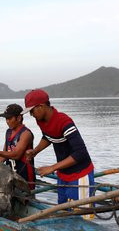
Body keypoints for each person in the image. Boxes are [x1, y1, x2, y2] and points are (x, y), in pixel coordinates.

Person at [22, 89, 94, 217]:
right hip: (63, 175)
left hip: (80, 174)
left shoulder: (64, 122)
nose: (31, 115)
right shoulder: (41, 120)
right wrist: (35, 151)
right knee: (64, 213)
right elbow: (48, 136)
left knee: (82, 217)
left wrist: (52, 167)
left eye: (32, 111)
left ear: (41, 106)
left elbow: (80, 153)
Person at [0, 104, 35, 190]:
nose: (7, 121)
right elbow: (4, 154)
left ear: (19, 118)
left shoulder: (26, 134)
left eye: (10, 118)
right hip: (10, 176)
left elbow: (16, 155)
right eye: (6, 119)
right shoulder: (8, 132)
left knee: (26, 199)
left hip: (25, 177)